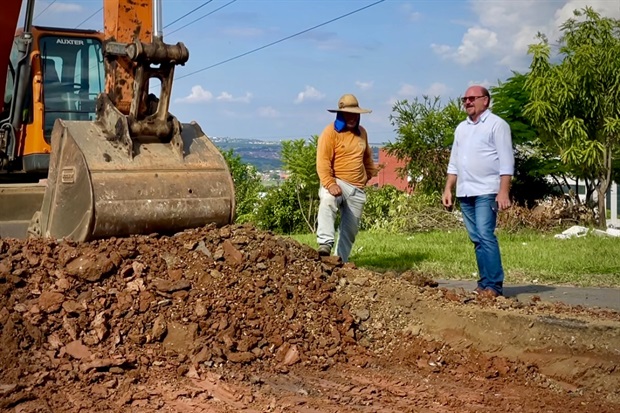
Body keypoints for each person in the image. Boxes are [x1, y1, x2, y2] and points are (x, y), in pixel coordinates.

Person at [442, 85, 514, 298]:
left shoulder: (497, 125)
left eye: (473, 98)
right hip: (465, 192)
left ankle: (494, 285)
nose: (468, 102)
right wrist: (448, 188)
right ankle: (484, 284)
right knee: (476, 238)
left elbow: (506, 161)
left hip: (487, 191)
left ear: (486, 101)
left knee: (485, 234)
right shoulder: (461, 128)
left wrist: (503, 192)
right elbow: (454, 162)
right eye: (465, 99)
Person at [316, 94, 377, 262]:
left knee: (349, 231)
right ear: (341, 114)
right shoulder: (330, 133)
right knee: (328, 200)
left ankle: (340, 262)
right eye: (348, 114)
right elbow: (322, 162)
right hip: (337, 182)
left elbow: (367, 157)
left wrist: (370, 173)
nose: (352, 118)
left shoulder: (362, 133)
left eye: (355, 114)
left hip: (357, 188)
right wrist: (330, 183)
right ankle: (325, 244)